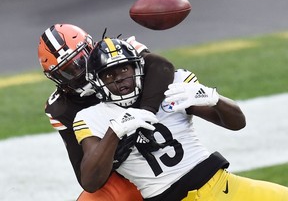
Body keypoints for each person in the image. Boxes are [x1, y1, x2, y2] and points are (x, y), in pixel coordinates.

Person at [73, 37, 288, 201]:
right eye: (109, 75)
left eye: (124, 68)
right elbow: (91, 181)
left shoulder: (171, 86)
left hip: (220, 184)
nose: (120, 78)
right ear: (97, 81)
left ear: (137, 67)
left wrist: (215, 98)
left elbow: (237, 123)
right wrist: (115, 132)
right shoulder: (92, 117)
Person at [37, 24, 175, 200]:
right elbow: (86, 177)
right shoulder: (61, 108)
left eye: (80, 62)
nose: (79, 74)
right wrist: (115, 148)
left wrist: (144, 115)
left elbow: (161, 67)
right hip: (125, 168)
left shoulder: (119, 49)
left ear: (90, 47)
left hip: (165, 141)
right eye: (67, 73)